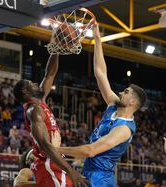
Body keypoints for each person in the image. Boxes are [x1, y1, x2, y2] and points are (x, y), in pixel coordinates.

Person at [57, 21, 147, 187]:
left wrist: (55, 150)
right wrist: (98, 39)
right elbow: (100, 74)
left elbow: (90, 151)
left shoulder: (124, 129)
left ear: (133, 102)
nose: (120, 92)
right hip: (89, 172)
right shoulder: (113, 104)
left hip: (101, 180)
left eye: (126, 92)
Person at [13, 55, 87, 187]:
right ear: (25, 91)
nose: (35, 83)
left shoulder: (40, 102)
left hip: (54, 161)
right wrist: (70, 170)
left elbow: (50, 74)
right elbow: (46, 146)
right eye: (31, 83)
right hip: (48, 162)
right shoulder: (33, 110)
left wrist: (56, 50)